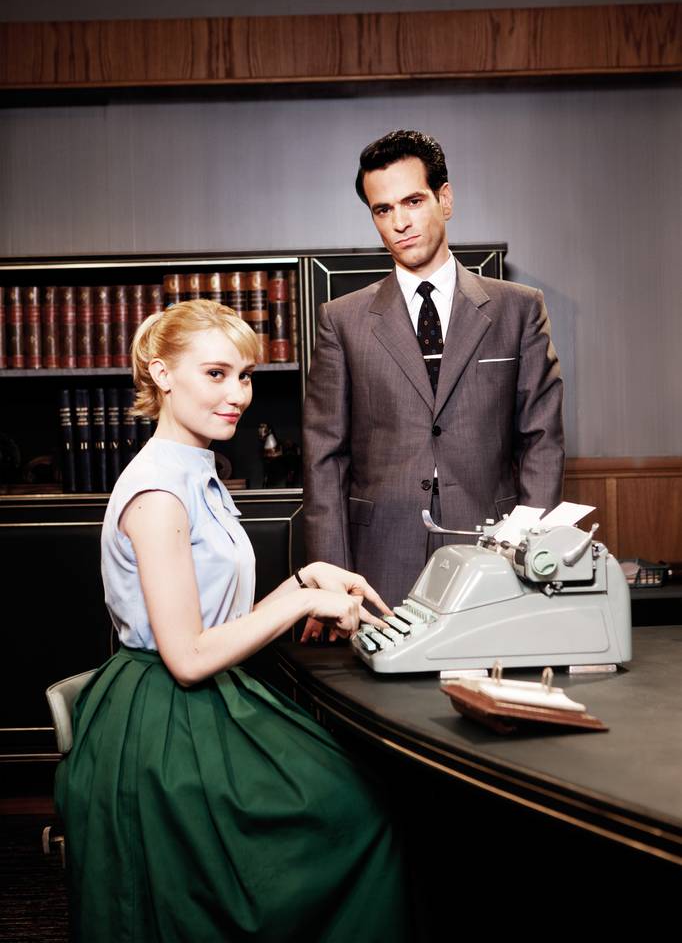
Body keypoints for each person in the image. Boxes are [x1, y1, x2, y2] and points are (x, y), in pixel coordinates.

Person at [55, 299, 409, 943]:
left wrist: (305, 580)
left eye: (245, 376)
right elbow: (189, 656)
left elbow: (218, 619)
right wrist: (300, 604)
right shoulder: (159, 491)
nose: (238, 395)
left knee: (359, 795)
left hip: (200, 699)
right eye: (216, 374)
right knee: (355, 813)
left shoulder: (197, 471)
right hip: (164, 718)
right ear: (162, 374)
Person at [303, 129, 564, 619]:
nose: (399, 222)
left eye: (413, 201)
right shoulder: (342, 320)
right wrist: (331, 579)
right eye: (383, 210)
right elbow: (325, 458)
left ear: (445, 200)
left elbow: (541, 443)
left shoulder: (518, 310)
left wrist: (532, 552)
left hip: (494, 549)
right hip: (379, 556)